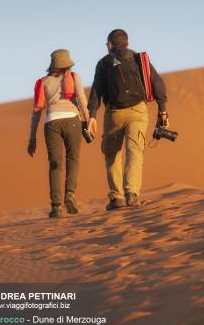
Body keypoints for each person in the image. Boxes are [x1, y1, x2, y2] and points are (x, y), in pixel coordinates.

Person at [87, 29, 168, 211]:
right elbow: (157, 83)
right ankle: (131, 193)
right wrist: (163, 111)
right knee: (135, 151)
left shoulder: (103, 64)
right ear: (127, 43)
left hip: (114, 115)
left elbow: (96, 91)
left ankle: (117, 197)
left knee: (112, 155)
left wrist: (92, 116)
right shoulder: (140, 59)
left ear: (109, 45)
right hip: (138, 112)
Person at [27, 49, 89, 218]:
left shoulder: (43, 82)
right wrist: (88, 119)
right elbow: (82, 99)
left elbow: (37, 111)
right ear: (67, 63)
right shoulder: (74, 77)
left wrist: (32, 137)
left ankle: (56, 206)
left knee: (55, 163)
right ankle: (70, 194)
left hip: (52, 122)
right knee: (73, 159)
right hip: (72, 120)